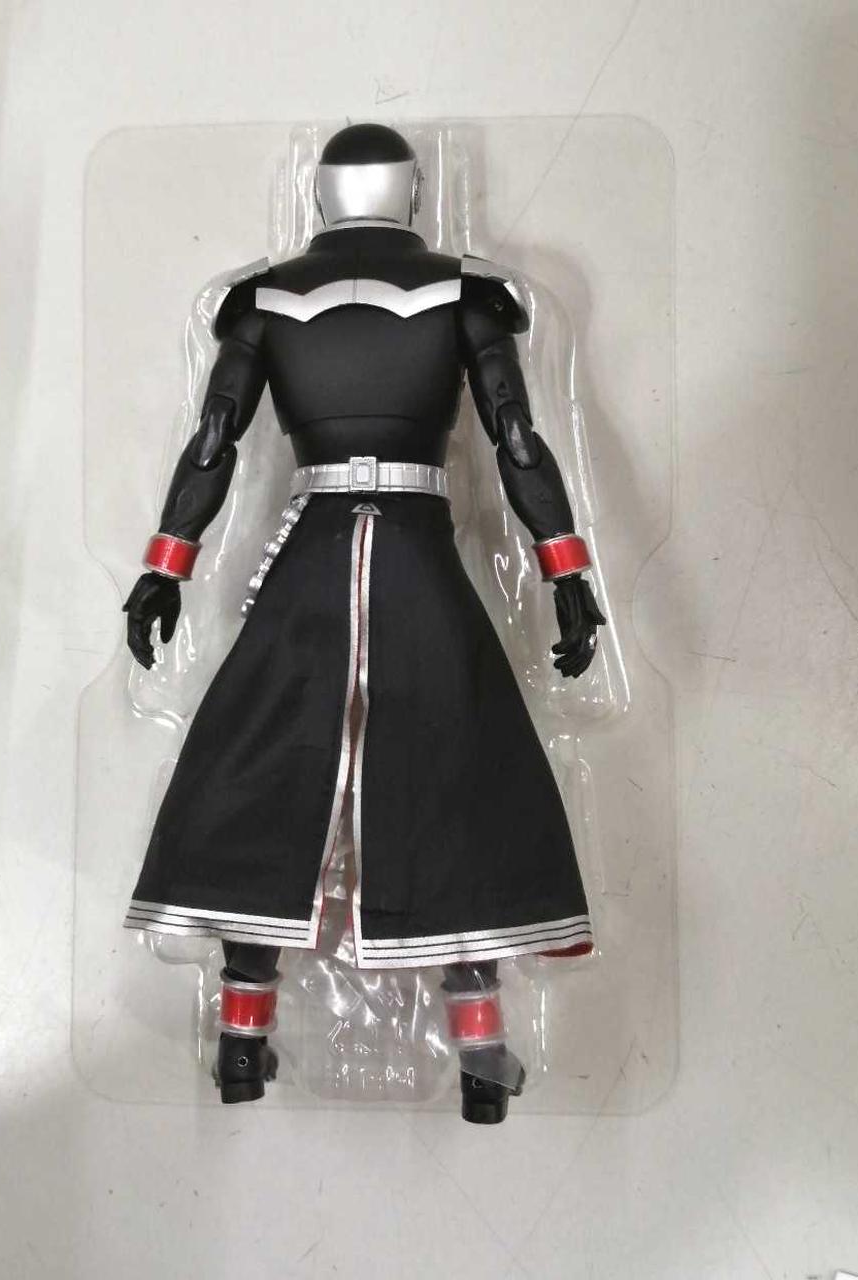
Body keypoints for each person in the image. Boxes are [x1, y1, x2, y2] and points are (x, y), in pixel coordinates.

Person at [123, 123, 605, 1124]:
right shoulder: (464, 293)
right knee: (451, 768)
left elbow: (211, 444)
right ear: (412, 192)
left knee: (265, 764)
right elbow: (516, 441)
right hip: (416, 553)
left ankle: (243, 1038)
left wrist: (165, 567)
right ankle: (479, 1053)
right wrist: (564, 570)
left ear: (323, 193)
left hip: (315, 548)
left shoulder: (265, 299)